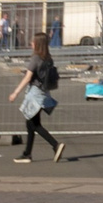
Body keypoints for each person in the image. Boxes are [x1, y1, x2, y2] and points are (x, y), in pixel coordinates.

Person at [9, 34, 66, 163]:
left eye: (33, 42)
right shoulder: (48, 59)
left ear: (38, 44)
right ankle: (27, 154)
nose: (31, 43)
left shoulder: (35, 58)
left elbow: (28, 77)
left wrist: (15, 92)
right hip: (43, 93)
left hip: (34, 93)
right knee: (31, 124)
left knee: (34, 124)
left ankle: (55, 145)